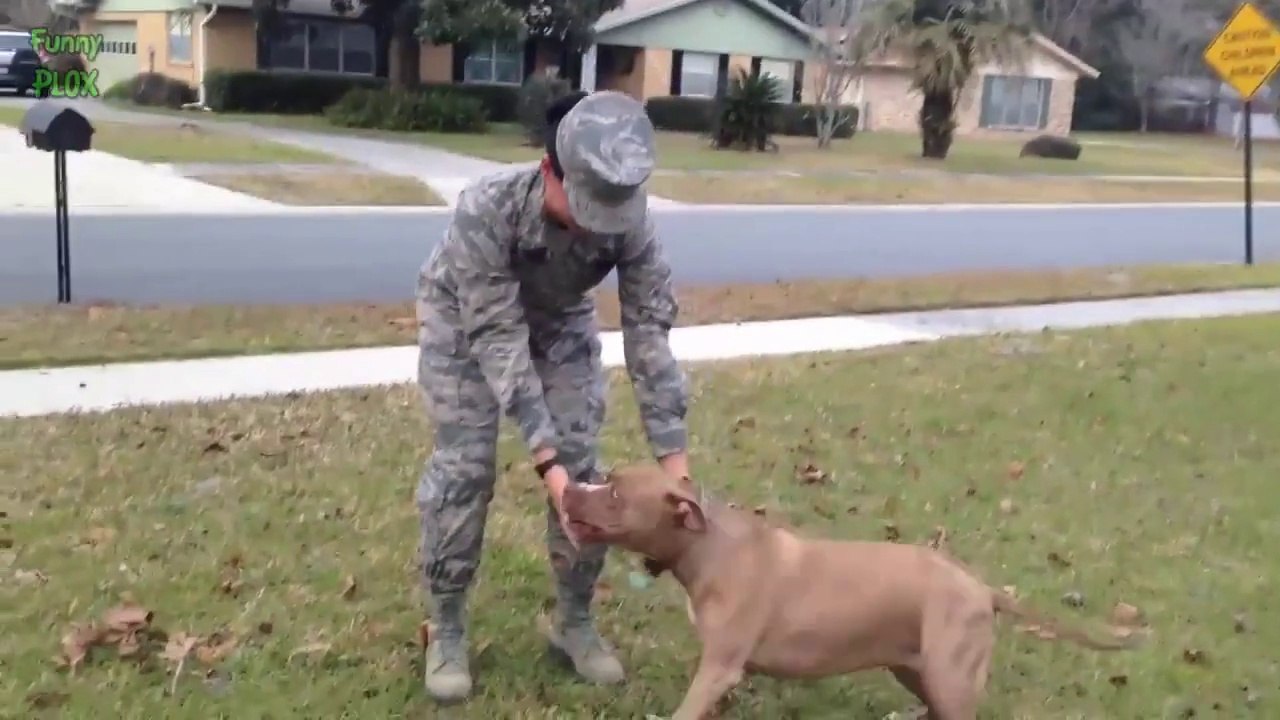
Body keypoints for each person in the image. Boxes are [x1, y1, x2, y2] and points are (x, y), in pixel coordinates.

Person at [413, 89, 691, 703]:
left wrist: (679, 474)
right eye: (587, 204)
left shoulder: (630, 219)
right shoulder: (486, 208)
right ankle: (447, 626)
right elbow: (497, 336)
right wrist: (549, 471)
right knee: (465, 468)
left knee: (585, 471)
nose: (600, 222)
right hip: (465, 324)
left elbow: (649, 335)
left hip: (560, 321)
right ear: (549, 170)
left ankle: (573, 620)